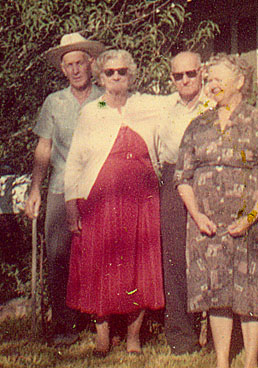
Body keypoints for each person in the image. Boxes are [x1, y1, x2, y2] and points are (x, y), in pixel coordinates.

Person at [176, 54, 258, 368]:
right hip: (208, 224)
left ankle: (251, 360)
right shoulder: (198, 125)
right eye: (209, 80)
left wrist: (251, 218)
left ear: (239, 82)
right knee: (215, 292)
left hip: (251, 221)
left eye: (218, 80)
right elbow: (182, 177)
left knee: (252, 291)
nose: (212, 86)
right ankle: (222, 360)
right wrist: (197, 216)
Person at [64, 49, 164, 356]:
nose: (116, 77)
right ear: (101, 77)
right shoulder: (92, 111)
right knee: (100, 263)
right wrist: (70, 203)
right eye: (110, 72)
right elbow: (74, 160)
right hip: (101, 200)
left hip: (143, 200)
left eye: (122, 71)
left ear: (131, 74)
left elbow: (183, 105)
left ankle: (134, 336)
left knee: (140, 266)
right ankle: (103, 335)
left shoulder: (146, 105)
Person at [24, 32, 105, 347]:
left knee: (100, 252)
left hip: (99, 187)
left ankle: (103, 320)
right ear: (62, 68)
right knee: (59, 254)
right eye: (68, 64)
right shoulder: (53, 102)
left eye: (80, 63)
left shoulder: (106, 96)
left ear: (91, 63)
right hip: (60, 187)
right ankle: (64, 325)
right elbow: (43, 149)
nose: (75, 70)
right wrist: (35, 189)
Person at [158, 50, 214, 355]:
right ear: (171, 78)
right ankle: (181, 334)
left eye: (190, 73)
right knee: (175, 258)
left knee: (210, 252)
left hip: (208, 177)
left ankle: (218, 334)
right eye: (178, 75)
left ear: (201, 71)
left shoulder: (214, 102)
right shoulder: (164, 106)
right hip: (172, 177)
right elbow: (110, 106)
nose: (185, 80)